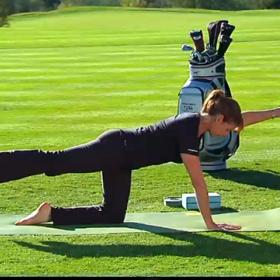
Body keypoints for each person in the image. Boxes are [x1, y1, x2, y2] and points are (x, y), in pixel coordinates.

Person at [1, 89, 279, 231]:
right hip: (114, 147)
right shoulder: (188, 131)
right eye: (229, 129)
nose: (228, 133)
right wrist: (210, 223)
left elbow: (245, 118)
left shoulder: (203, 124)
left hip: (123, 162)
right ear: (219, 118)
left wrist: (276, 112)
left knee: (112, 215)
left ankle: (50, 213)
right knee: (54, 162)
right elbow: (198, 183)